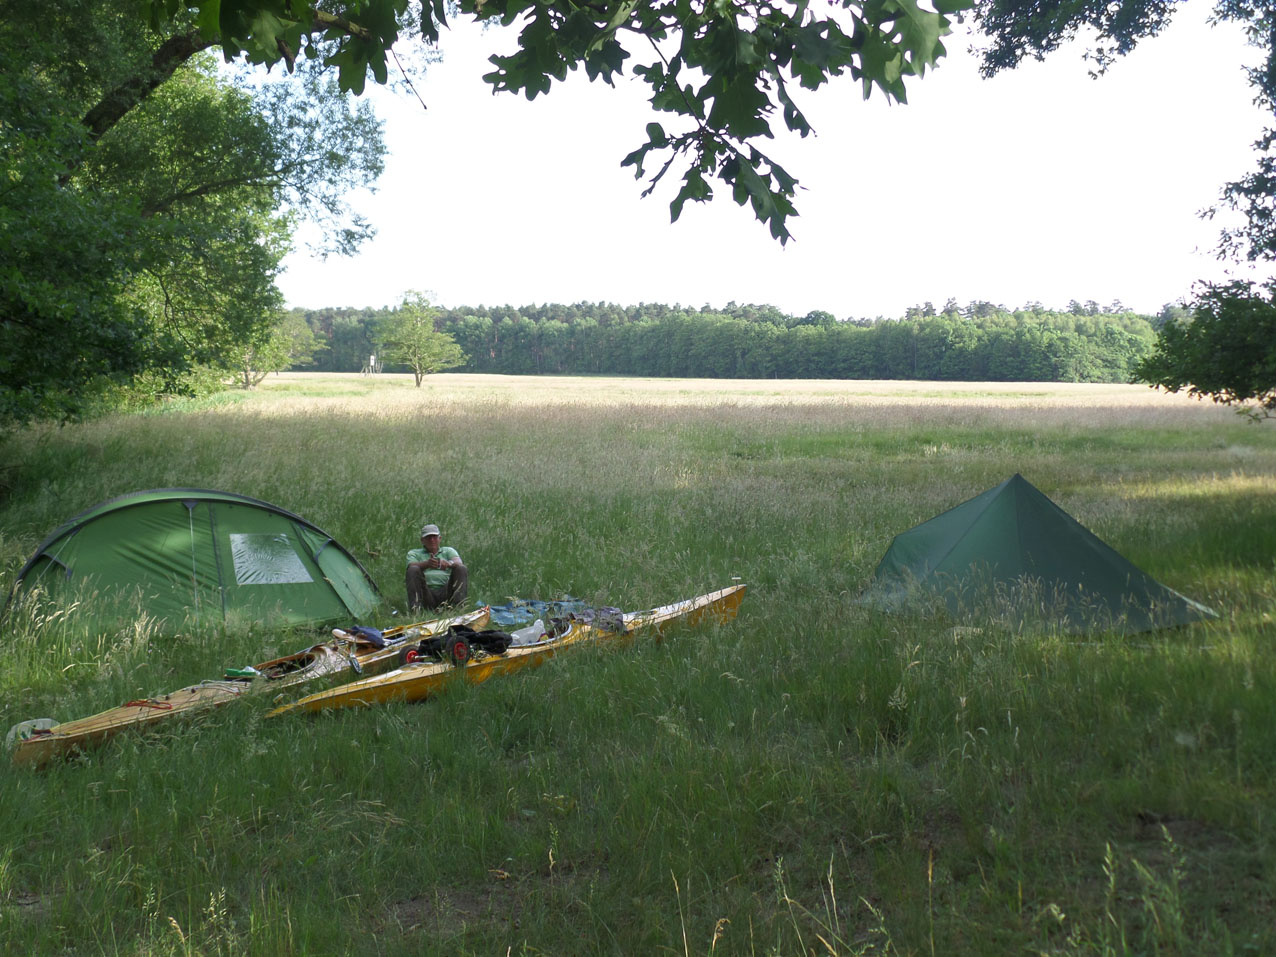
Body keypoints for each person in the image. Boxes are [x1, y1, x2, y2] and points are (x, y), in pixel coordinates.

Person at [405, 523, 468, 612]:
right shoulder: (414, 553)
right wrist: (427, 564)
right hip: (426, 592)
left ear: (440, 538)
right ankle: (416, 609)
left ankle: (459, 608)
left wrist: (448, 564)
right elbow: (411, 566)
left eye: (434, 537)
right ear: (422, 540)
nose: (432, 540)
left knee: (461, 568)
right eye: (428, 537)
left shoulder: (448, 551)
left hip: (446, 591)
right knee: (413, 570)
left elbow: (459, 562)